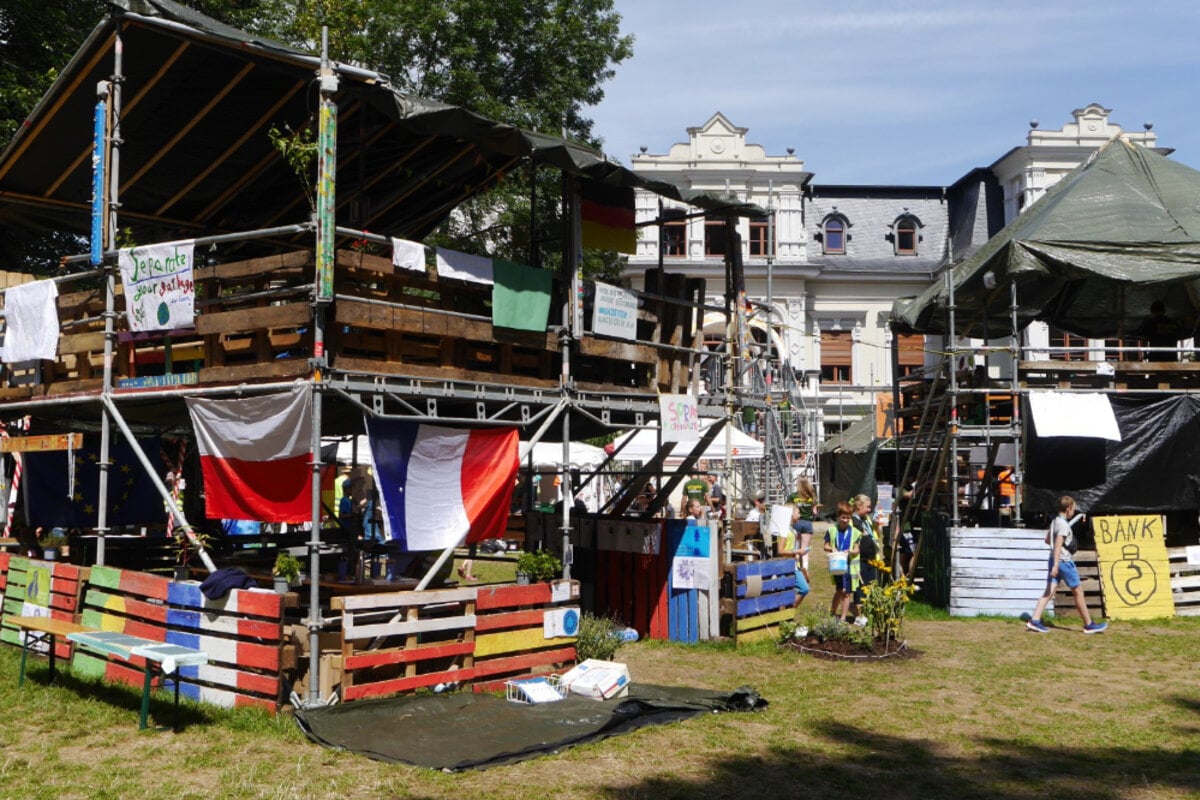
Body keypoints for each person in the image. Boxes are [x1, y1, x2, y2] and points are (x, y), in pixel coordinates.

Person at [1026, 495, 1108, 634]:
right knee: (1078, 592)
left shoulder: (1055, 522)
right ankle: (1088, 624)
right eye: (1073, 509)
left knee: (1049, 592)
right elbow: (1058, 544)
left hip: (1053, 559)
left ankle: (1034, 620)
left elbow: (1047, 540)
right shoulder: (1063, 525)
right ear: (1068, 509)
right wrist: (1057, 565)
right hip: (1063, 562)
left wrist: (1055, 562)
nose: (1073, 512)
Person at [823, 502, 859, 620]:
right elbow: (825, 546)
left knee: (846, 592)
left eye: (848, 518)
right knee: (839, 589)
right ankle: (832, 613)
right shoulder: (831, 530)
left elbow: (857, 549)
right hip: (837, 564)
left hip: (848, 565)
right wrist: (832, 548)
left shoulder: (854, 532)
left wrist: (850, 551)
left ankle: (843, 617)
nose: (845, 520)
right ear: (838, 516)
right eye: (843, 517)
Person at [850, 493, 882, 624]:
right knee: (861, 588)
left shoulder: (867, 519)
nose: (869, 510)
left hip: (871, 557)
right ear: (858, 506)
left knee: (871, 585)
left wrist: (878, 524)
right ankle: (859, 614)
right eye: (867, 507)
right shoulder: (853, 520)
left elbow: (875, 535)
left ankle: (866, 613)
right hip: (860, 558)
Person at [775, 505, 809, 610]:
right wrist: (798, 551)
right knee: (785, 593)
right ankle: (784, 617)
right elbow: (780, 550)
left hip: (793, 565)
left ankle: (789, 614)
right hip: (784, 566)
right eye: (798, 513)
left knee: (803, 589)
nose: (800, 515)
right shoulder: (784, 530)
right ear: (790, 514)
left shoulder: (792, 529)